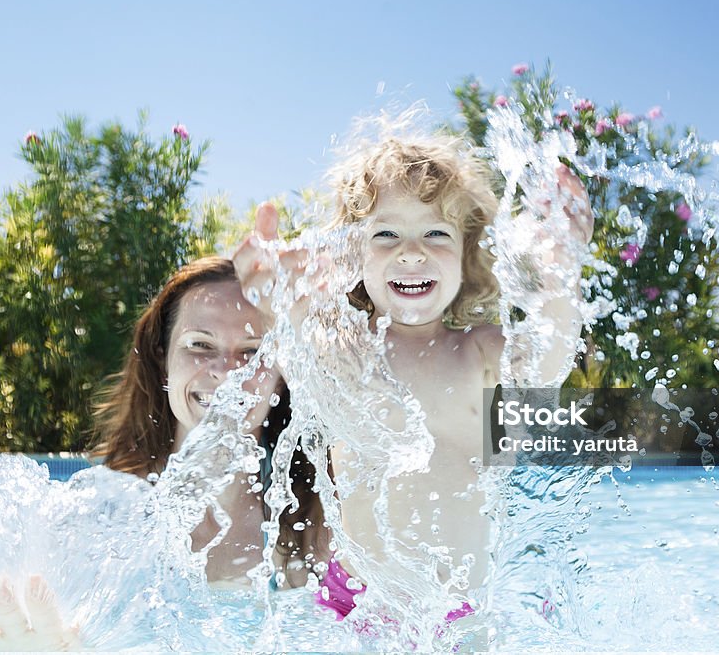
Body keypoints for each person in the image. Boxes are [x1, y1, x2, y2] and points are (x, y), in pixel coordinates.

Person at [233, 132, 593, 620]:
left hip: (453, 613)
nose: (411, 252)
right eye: (385, 234)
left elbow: (545, 367)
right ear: (351, 255)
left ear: (467, 254)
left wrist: (560, 277)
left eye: (436, 234)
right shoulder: (346, 350)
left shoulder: (480, 353)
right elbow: (293, 335)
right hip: (350, 598)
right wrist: (270, 288)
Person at [0, 256, 325, 650]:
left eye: (252, 350)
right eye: (200, 345)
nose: (225, 371)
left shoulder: (318, 517)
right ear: (162, 358)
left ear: (283, 370)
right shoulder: (100, 515)